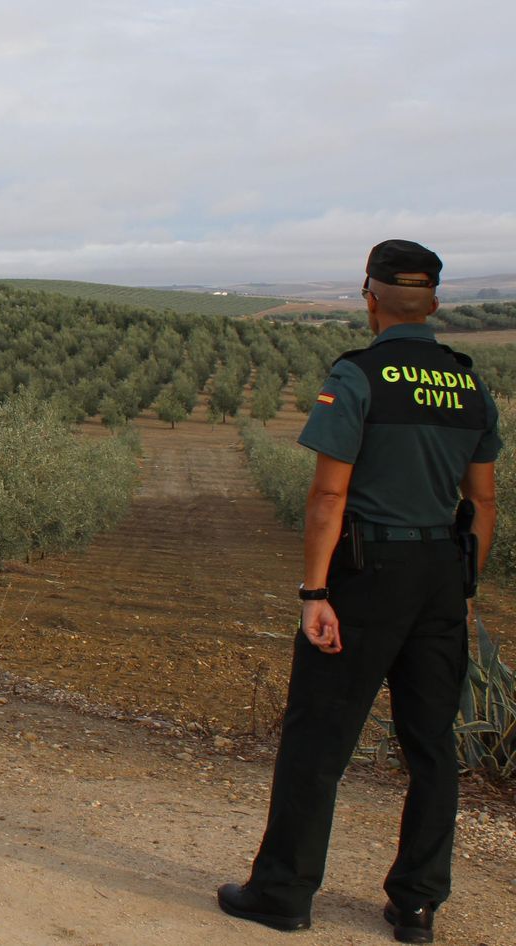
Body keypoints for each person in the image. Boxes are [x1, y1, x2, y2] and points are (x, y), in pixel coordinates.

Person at [218, 240, 499, 943]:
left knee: (320, 735)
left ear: (369, 297)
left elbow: (328, 492)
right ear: (433, 301)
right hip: (441, 575)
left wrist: (316, 590)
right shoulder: (470, 383)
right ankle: (417, 905)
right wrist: (464, 587)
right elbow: (486, 505)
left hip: (366, 575)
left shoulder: (358, 375)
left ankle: (282, 893)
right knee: (431, 744)